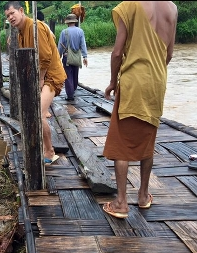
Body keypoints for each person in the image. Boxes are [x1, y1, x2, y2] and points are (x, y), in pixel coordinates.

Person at [102, 1, 178, 219]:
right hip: (157, 82)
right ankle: (143, 196)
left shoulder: (130, 5)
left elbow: (117, 53)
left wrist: (112, 82)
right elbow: (169, 54)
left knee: (121, 144)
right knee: (148, 140)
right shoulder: (172, 8)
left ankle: (121, 202)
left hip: (134, 81)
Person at [4, 1, 67, 164]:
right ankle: (42, 146)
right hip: (41, 76)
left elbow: (45, 57)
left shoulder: (34, 27)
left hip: (51, 76)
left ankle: (49, 151)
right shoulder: (21, 32)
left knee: (39, 114)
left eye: (12, 13)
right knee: (33, 112)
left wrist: (39, 79)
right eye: (8, 16)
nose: (11, 17)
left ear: (21, 10)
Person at [57, 13, 88, 101]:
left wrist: (58, 57)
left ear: (67, 22)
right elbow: (83, 44)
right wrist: (85, 56)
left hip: (67, 58)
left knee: (68, 76)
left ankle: (70, 95)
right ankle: (73, 90)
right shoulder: (80, 31)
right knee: (75, 75)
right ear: (75, 21)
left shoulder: (64, 32)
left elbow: (60, 46)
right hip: (76, 57)